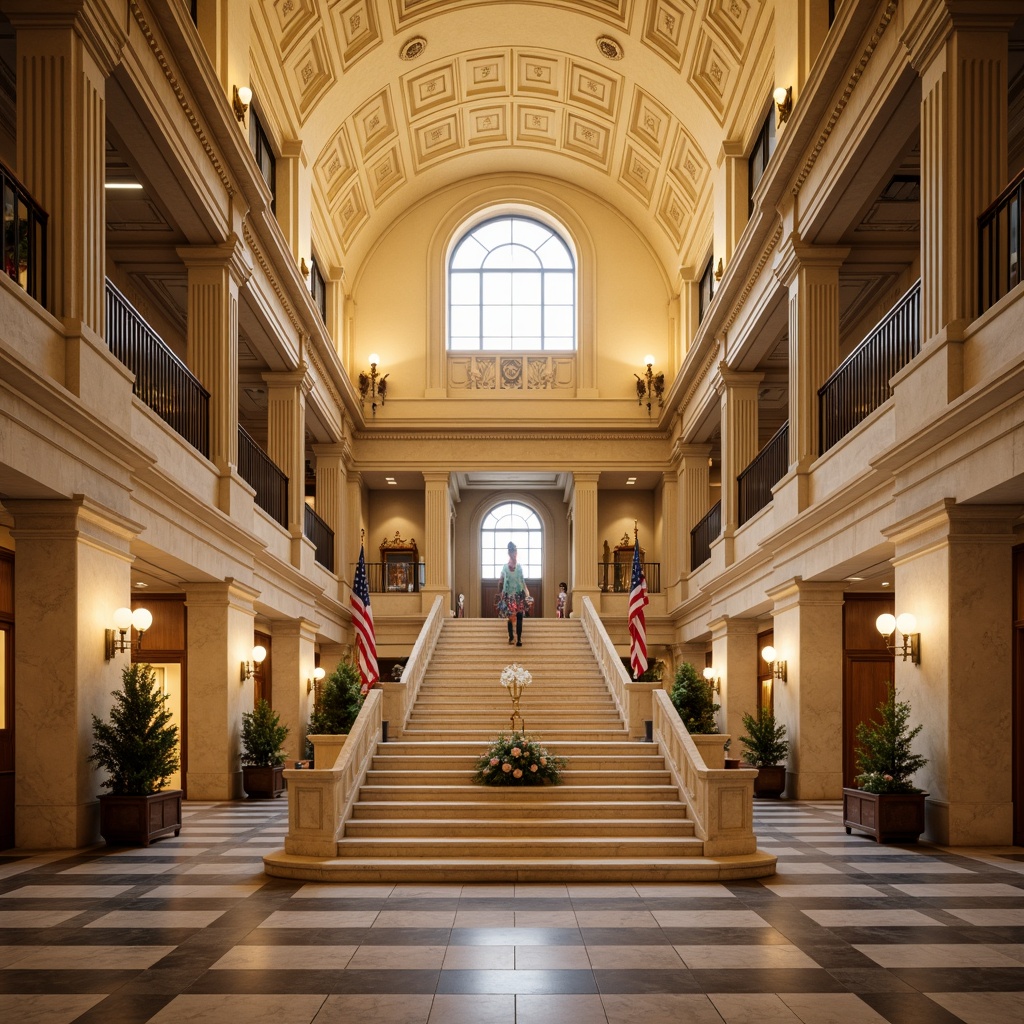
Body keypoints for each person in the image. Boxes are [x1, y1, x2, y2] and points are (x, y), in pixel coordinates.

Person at [498, 541, 531, 646]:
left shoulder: (519, 567)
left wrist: (527, 594)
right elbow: (500, 581)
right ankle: (511, 637)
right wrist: (501, 594)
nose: (515, 554)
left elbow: (523, 582)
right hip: (508, 595)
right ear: (509, 554)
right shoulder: (505, 567)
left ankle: (519, 638)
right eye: (513, 553)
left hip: (519, 595)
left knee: (520, 616)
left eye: (515, 552)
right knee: (511, 617)